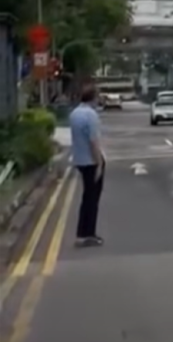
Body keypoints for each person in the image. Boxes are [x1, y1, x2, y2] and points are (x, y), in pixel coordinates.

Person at [69, 84, 107, 247]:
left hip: (80, 160)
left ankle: (81, 233)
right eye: (97, 97)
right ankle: (88, 234)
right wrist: (99, 163)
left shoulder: (74, 113)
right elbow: (94, 141)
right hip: (91, 161)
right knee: (92, 199)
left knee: (87, 197)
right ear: (93, 98)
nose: (99, 100)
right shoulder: (91, 115)